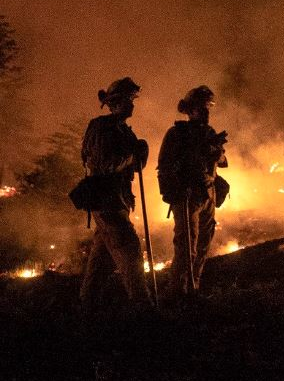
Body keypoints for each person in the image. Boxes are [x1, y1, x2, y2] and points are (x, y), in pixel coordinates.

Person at [79, 77, 152, 310]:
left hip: (118, 200)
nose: (132, 104)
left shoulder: (123, 131)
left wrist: (140, 154)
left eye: (133, 99)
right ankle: (144, 309)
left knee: (101, 261)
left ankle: (86, 307)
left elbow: (135, 166)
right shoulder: (101, 128)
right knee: (130, 250)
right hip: (106, 201)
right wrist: (132, 155)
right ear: (116, 102)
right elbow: (104, 164)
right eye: (128, 100)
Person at [157, 85, 228, 297]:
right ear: (190, 110)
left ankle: (193, 289)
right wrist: (174, 191)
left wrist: (216, 152)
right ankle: (178, 292)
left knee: (204, 245)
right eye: (201, 108)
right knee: (187, 247)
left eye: (208, 107)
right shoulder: (177, 134)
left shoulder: (209, 132)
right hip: (187, 196)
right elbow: (165, 166)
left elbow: (222, 161)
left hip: (208, 195)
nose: (206, 112)